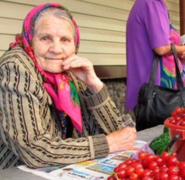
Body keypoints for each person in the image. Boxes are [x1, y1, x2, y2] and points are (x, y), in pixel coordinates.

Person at [0, 3, 136, 169]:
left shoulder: (69, 72)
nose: (57, 49)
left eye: (65, 39)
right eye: (45, 38)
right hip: (16, 173)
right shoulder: (17, 67)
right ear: (30, 39)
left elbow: (115, 132)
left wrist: (94, 85)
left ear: (75, 43)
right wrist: (107, 144)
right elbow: (35, 150)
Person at [126, 0, 185, 130]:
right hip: (159, 93)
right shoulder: (152, 3)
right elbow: (161, 48)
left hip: (154, 92)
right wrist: (181, 49)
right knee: (160, 141)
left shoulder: (147, 3)